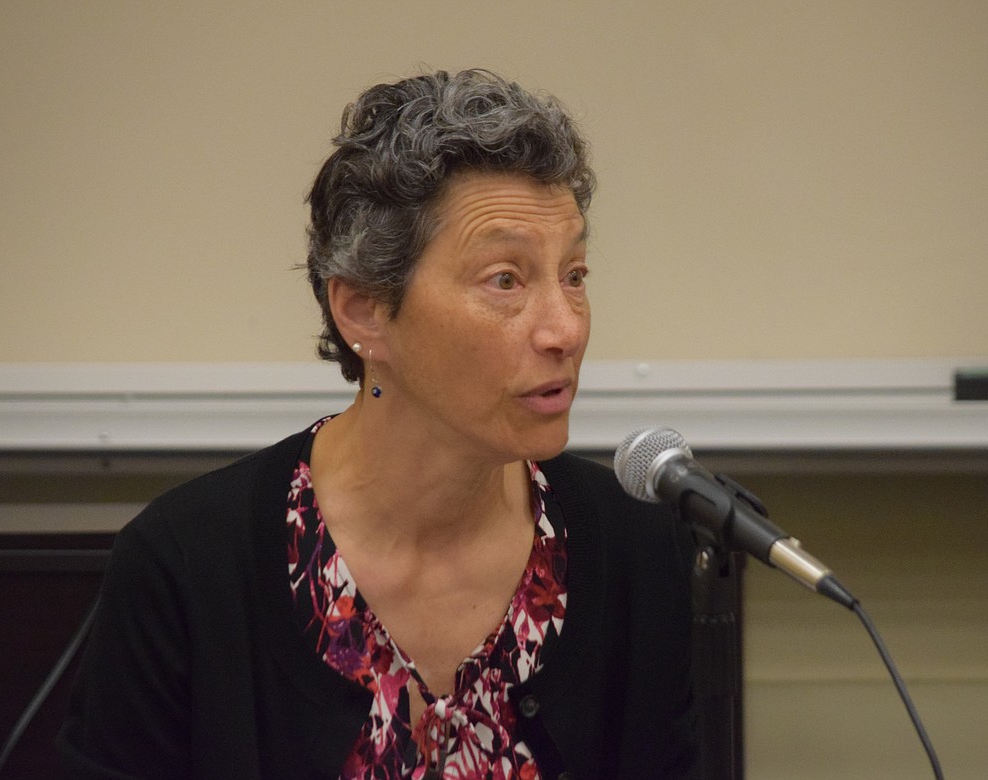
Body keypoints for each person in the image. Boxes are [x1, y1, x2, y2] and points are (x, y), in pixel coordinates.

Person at [58, 69, 697, 779]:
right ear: (363, 310)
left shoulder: (636, 549)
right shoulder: (186, 563)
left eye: (574, 275)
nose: (564, 329)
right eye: (506, 280)